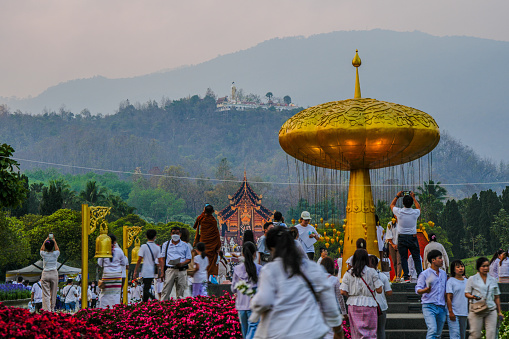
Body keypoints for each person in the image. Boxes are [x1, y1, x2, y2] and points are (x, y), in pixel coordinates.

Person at [250, 227, 342, 339]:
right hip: (312, 332)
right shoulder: (313, 268)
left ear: (272, 249)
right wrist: (338, 330)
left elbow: (264, 301)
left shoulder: (270, 270)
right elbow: (329, 303)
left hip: (280, 333)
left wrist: (253, 303)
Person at [340, 249, 383, 339]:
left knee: (356, 333)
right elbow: (379, 290)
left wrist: (351, 295)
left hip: (353, 304)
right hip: (370, 303)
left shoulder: (348, 273)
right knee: (371, 333)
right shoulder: (372, 272)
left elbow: (342, 291)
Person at [465, 257, 503, 339]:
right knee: (475, 334)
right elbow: (466, 293)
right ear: (479, 267)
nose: (486, 268)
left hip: (490, 309)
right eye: (483, 266)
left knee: (491, 334)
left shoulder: (492, 280)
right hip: (476, 309)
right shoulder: (472, 279)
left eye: (487, 266)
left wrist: (499, 312)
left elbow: (497, 297)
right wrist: (473, 296)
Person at [231, 241, 262, 338]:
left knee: (245, 333)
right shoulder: (260, 268)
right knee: (253, 330)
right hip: (254, 305)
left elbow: (233, 288)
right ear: (255, 254)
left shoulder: (237, 269)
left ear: (243, 254)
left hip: (241, 305)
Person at [415, 249, 448, 339]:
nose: (442, 260)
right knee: (432, 329)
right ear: (433, 260)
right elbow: (417, 289)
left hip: (441, 306)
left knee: (438, 334)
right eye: (440, 258)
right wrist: (425, 290)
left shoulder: (443, 274)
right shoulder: (425, 274)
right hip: (429, 306)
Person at [390, 190, 422, 282]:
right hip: (412, 237)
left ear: (403, 203)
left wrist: (397, 196)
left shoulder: (399, 212)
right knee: (416, 257)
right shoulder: (415, 212)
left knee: (403, 257)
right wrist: (414, 198)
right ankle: (420, 275)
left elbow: (392, 205)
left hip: (402, 237)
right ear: (411, 203)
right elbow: (419, 208)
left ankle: (406, 277)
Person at [159, 226, 192, 300]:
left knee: (180, 291)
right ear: (171, 234)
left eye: (177, 233)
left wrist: (182, 263)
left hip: (181, 270)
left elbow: (189, 259)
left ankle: (178, 307)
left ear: (180, 234)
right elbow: (162, 258)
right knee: (166, 290)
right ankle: (162, 306)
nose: (175, 235)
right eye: (173, 233)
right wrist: (162, 272)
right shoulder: (166, 244)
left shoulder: (185, 245)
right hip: (170, 269)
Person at [97, 234, 127, 309]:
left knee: (105, 294)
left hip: (107, 275)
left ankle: (104, 309)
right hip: (117, 275)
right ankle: (115, 309)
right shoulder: (119, 251)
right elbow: (124, 263)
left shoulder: (104, 251)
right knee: (116, 294)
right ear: (114, 242)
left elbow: (100, 263)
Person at [193, 204, 221, 277]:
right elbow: (217, 233)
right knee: (210, 262)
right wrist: (218, 246)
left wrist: (203, 213)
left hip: (203, 242)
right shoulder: (213, 221)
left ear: (204, 210)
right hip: (212, 245)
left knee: (201, 259)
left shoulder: (202, 219)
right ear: (213, 211)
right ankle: (207, 278)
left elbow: (195, 226)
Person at [133, 229, 161, 302]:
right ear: (155, 237)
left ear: (146, 236)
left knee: (145, 288)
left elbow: (139, 259)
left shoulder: (143, 246)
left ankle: (154, 299)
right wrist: (160, 271)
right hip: (152, 270)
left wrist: (135, 270)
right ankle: (144, 303)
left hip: (145, 269)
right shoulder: (157, 247)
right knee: (147, 287)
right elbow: (160, 260)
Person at [368, 255, 392, 339]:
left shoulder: (364, 276)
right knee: (381, 330)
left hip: (368, 305)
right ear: (377, 264)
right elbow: (389, 292)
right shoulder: (382, 276)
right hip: (381, 306)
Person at [446, 260, 468, 339]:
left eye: (462, 266)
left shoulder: (467, 281)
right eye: (458, 267)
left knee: (462, 335)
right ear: (453, 269)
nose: (461, 268)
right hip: (454, 312)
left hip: (464, 312)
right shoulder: (451, 281)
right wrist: (450, 311)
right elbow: (448, 297)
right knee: (455, 335)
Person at [40, 236, 60, 311]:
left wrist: (46, 240)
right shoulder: (56, 254)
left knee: (46, 294)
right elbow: (57, 249)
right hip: (54, 273)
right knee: (53, 293)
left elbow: (41, 249)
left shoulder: (44, 254)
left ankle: (47, 309)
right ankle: (52, 308)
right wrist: (54, 240)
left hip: (45, 273)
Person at [386, 215, 402, 281]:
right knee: (394, 261)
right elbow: (388, 235)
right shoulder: (390, 224)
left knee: (399, 261)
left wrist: (398, 244)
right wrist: (392, 244)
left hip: (400, 244)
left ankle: (398, 276)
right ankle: (396, 274)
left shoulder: (402, 224)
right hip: (391, 244)